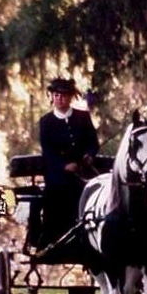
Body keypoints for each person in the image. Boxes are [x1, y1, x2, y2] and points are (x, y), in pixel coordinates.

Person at [38, 77, 99, 249]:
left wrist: (89, 155)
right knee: (54, 193)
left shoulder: (83, 117)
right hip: (57, 173)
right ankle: (50, 239)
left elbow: (93, 142)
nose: (59, 99)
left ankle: (91, 237)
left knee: (93, 190)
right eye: (56, 95)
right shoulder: (46, 121)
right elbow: (47, 151)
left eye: (63, 96)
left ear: (70, 97)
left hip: (84, 169)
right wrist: (63, 166)